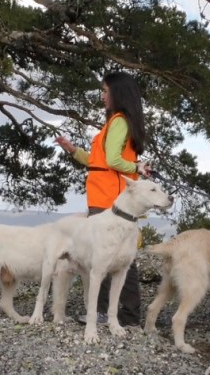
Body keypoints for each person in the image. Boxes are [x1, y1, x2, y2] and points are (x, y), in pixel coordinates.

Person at [55, 71, 150, 328]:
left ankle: (124, 316)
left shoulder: (118, 121)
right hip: (105, 194)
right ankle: (120, 315)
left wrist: (136, 167)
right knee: (112, 255)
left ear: (118, 93)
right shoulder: (116, 122)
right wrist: (74, 151)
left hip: (110, 197)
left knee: (114, 257)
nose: (102, 95)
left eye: (105, 90)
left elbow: (112, 161)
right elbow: (99, 161)